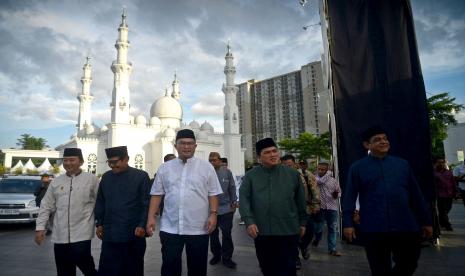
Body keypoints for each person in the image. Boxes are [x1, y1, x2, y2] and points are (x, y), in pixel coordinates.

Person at [343, 126, 433, 275]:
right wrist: (347, 224)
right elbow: (349, 197)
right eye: (377, 140)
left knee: (409, 263)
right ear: (367, 145)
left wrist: (426, 221)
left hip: (405, 225)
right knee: (379, 269)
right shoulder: (358, 168)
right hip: (374, 227)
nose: (383, 142)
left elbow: (416, 195)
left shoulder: (402, 165)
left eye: (385, 139)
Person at [146, 129, 223, 276]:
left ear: (195, 145)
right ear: (176, 146)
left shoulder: (206, 168)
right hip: (170, 227)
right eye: (182, 143)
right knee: (169, 266)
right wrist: (151, 217)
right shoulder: (165, 168)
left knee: (197, 267)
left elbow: (213, 193)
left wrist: (213, 214)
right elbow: (157, 194)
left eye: (190, 143)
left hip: (198, 227)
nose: (186, 147)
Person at [239, 138, 307, 276]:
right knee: (267, 268)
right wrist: (249, 221)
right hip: (262, 231)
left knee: (288, 269)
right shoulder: (251, 176)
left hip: (288, 230)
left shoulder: (293, 174)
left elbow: (300, 201)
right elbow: (244, 199)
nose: (273, 155)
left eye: (275, 151)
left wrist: (303, 223)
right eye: (267, 152)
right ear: (259, 157)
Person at [35, 148, 99, 276]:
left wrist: (101, 224)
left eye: (72, 160)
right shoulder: (57, 182)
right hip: (60, 236)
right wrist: (40, 227)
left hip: (82, 234)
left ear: (81, 162)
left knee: (87, 268)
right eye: (65, 160)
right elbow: (46, 205)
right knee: (64, 271)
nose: (68, 163)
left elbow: (100, 203)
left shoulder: (91, 179)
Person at [94, 146, 151, 276]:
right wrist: (99, 224)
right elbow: (101, 202)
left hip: (133, 234)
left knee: (132, 269)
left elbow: (146, 204)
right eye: (109, 162)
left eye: (115, 162)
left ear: (126, 159)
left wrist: (142, 225)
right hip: (110, 235)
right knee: (108, 270)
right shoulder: (106, 177)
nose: (112, 166)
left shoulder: (141, 176)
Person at [281, 154, 320, 269]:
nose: (287, 168)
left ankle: (303, 246)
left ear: (295, 164)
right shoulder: (280, 177)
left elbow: (314, 190)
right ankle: (295, 258)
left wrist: (316, 204)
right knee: (292, 235)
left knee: (309, 231)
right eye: (284, 166)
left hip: (305, 209)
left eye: (289, 165)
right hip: (288, 211)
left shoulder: (305, 175)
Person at [208, 152, 238, 269]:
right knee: (213, 235)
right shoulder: (206, 172)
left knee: (227, 234)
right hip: (210, 210)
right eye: (210, 160)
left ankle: (227, 258)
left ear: (220, 161)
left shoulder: (227, 172)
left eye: (214, 160)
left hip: (226, 209)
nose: (212, 162)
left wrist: (234, 201)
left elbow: (232, 187)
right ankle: (216, 255)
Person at [313, 162, 342, 256]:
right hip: (320, 207)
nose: (320, 171)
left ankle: (332, 248)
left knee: (332, 228)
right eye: (319, 169)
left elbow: (339, 192)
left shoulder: (333, 181)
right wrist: (329, 173)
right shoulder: (314, 178)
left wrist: (336, 194)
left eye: (323, 170)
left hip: (332, 207)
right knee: (319, 227)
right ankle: (317, 239)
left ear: (326, 170)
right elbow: (320, 181)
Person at [434, 157, 456, 231]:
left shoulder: (448, 172)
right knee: (443, 210)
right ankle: (447, 225)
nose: (440, 164)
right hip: (440, 194)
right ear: (436, 163)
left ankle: (441, 222)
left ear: (444, 163)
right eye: (439, 162)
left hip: (449, 194)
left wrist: (455, 192)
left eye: (442, 162)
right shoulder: (434, 173)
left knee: (447, 209)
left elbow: (453, 182)